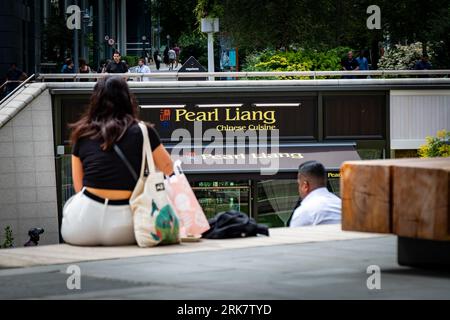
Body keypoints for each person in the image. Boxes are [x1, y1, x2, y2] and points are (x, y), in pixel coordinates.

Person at [61, 76, 174, 246]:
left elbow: (79, 187)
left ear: (95, 101)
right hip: (127, 226)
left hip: (82, 225)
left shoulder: (81, 133)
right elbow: (169, 168)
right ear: (127, 99)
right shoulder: (143, 131)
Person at [289, 161, 341, 227]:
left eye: (299, 184)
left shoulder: (304, 211)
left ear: (305, 186)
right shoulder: (341, 204)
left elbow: (294, 236)